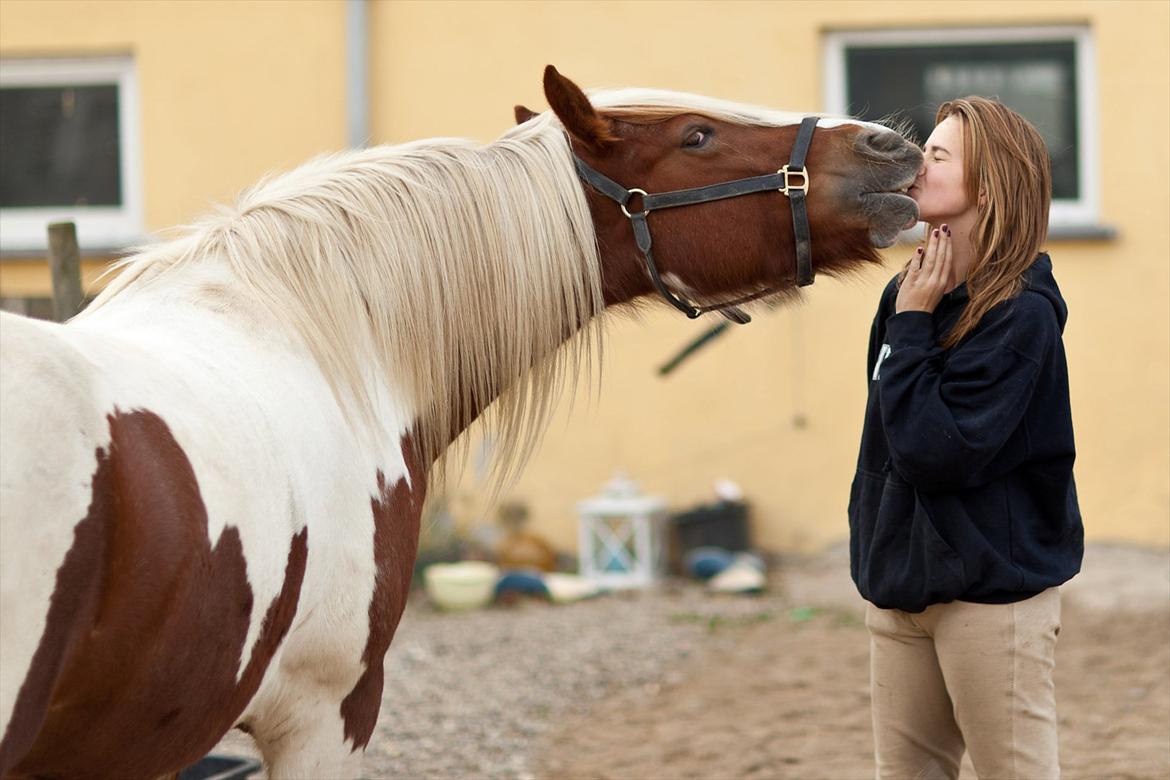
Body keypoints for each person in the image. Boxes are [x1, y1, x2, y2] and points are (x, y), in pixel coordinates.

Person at [848, 96, 1084, 780]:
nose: (915, 167)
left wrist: (914, 325)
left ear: (987, 185)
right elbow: (886, 437)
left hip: (990, 600)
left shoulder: (1022, 318)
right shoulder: (908, 293)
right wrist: (877, 549)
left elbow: (936, 453)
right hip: (901, 587)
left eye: (938, 156)